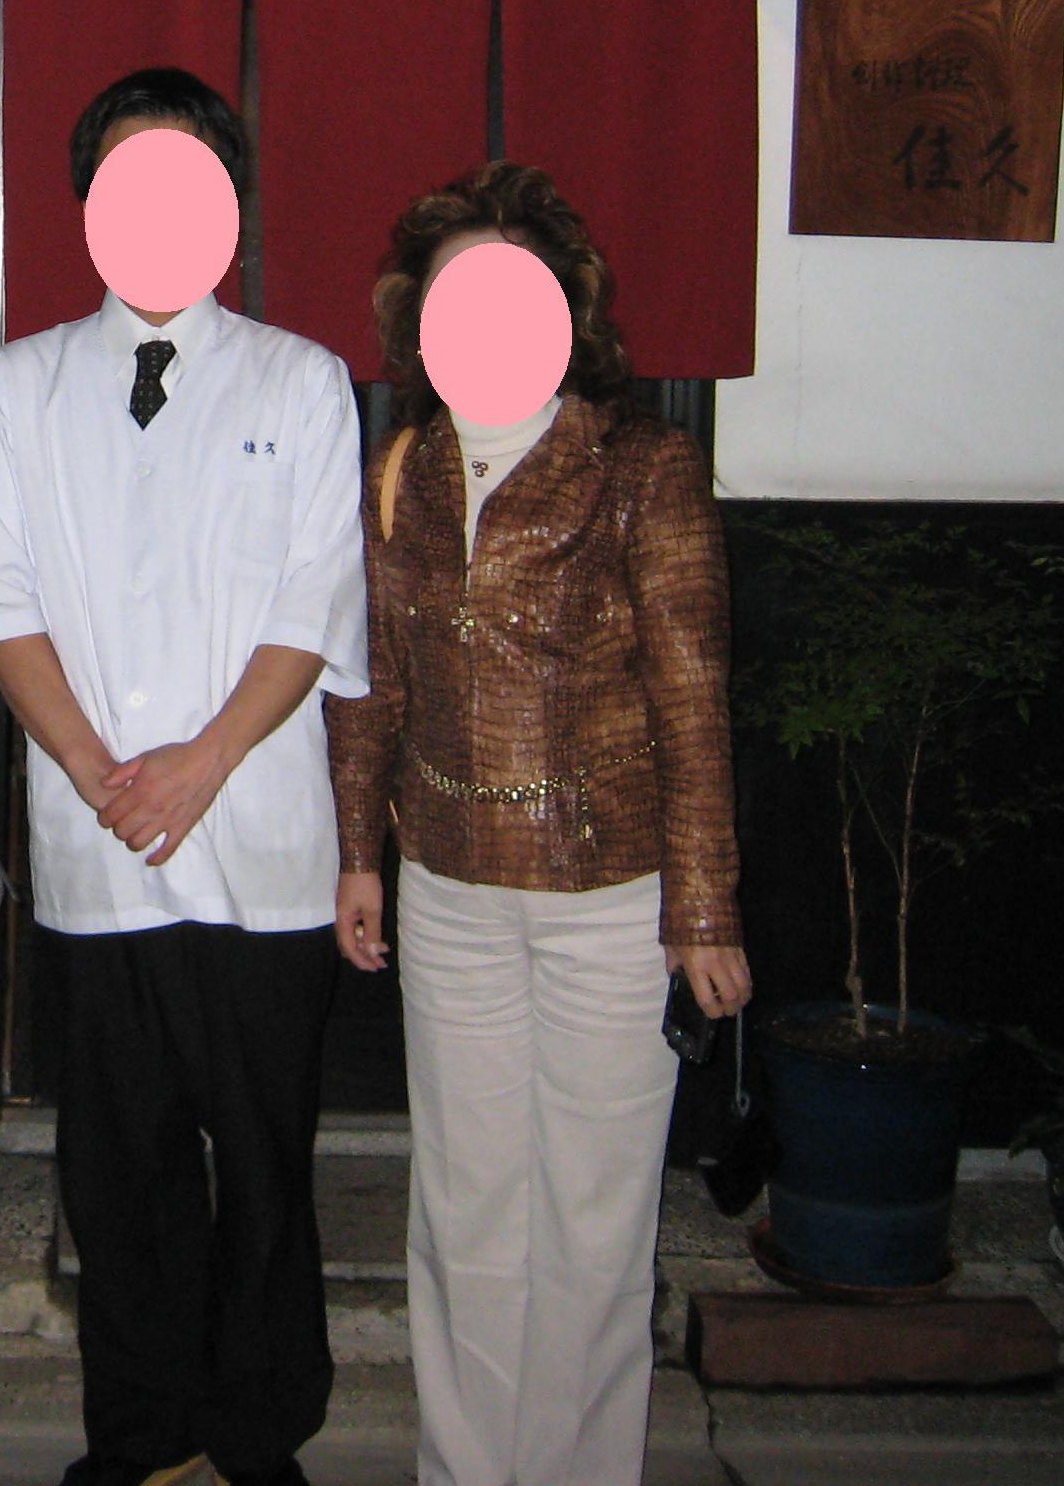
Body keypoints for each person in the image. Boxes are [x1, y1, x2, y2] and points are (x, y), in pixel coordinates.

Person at [0, 68, 368, 1486]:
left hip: (261, 846)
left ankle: (259, 1434)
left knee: (264, 1162)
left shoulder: (302, 380)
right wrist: (97, 769)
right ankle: (140, 1437)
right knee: (119, 1172)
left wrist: (201, 763)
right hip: (99, 845)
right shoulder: (14, 389)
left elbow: (314, 600)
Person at [324, 161, 750, 1486]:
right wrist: (357, 854)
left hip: (611, 903)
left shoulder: (644, 469)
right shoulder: (403, 473)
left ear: (569, 308)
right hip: (449, 891)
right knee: (464, 1214)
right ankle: (463, 1469)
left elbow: (692, 702)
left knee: (593, 1226)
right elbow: (373, 680)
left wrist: (704, 913)